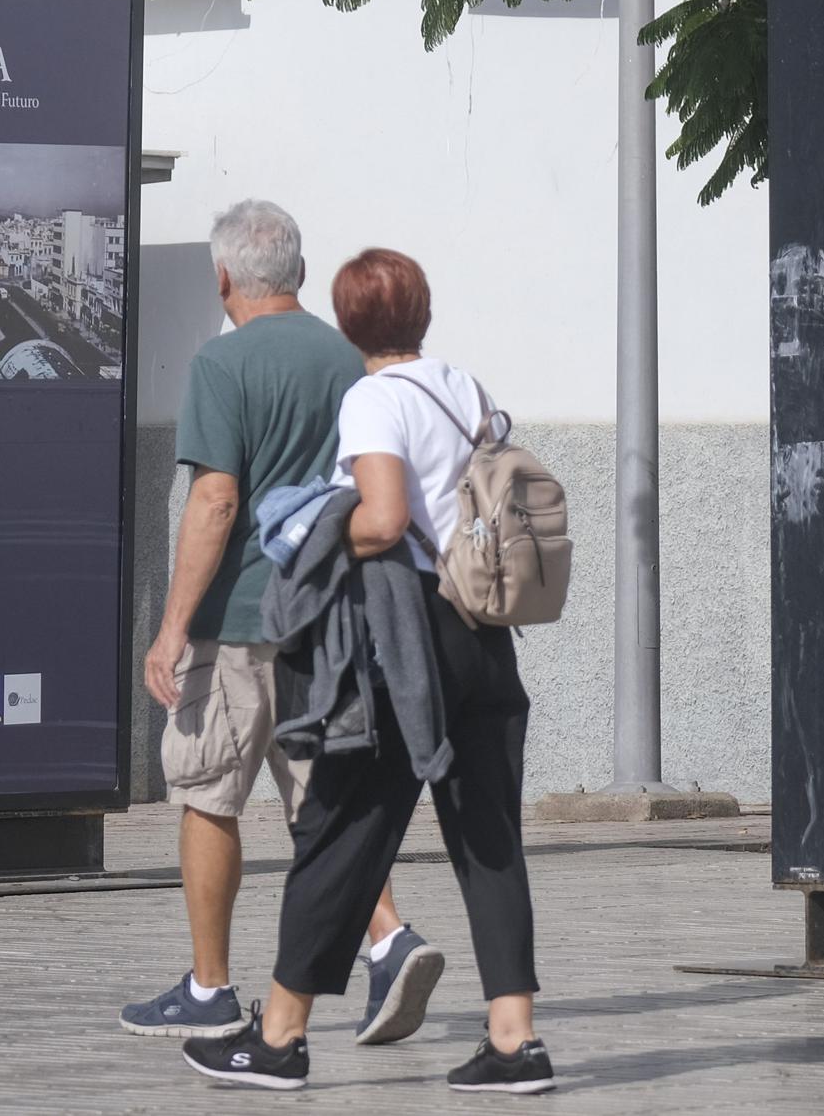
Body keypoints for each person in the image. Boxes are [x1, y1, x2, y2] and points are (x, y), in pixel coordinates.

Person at [181, 248, 554, 1095]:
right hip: (484, 634)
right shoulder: (467, 388)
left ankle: (278, 1037)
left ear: (351, 325)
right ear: (420, 312)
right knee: (489, 837)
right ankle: (514, 1039)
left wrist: (315, 538)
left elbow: (384, 521)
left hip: (404, 643)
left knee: (342, 831)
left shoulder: (374, 399)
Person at [120, 205, 445, 1044]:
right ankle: (388, 940)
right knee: (321, 801)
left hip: (240, 619)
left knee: (206, 793)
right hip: (332, 615)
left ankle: (209, 986)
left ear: (225, 278)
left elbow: (216, 499)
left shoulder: (223, 364)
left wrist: (170, 629)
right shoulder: (352, 357)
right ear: (298, 272)